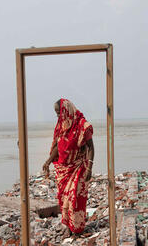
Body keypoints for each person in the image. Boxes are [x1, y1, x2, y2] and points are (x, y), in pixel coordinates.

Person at [42, 98, 94, 235]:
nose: (58, 116)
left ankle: (77, 228)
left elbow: (90, 148)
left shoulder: (83, 125)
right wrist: (48, 161)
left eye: (60, 113)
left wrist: (89, 167)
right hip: (64, 169)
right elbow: (58, 147)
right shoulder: (62, 126)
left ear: (67, 110)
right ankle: (69, 226)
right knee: (65, 199)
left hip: (79, 167)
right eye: (56, 114)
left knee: (75, 199)